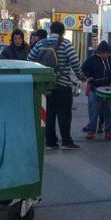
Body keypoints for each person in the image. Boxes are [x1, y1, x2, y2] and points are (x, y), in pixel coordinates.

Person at [28, 21, 86, 150]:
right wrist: (81, 76)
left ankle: (50, 142)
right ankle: (66, 142)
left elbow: (30, 60)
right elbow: (75, 62)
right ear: (63, 32)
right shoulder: (65, 44)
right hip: (62, 85)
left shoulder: (40, 43)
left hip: (45, 85)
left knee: (48, 114)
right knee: (64, 114)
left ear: (50, 31)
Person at [81, 41, 111, 140]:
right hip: (95, 89)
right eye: (103, 53)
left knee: (109, 112)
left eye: (107, 53)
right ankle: (91, 131)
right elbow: (83, 69)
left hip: (109, 89)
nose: (105, 55)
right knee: (94, 112)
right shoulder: (92, 59)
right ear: (99, 52)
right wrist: (89, 77)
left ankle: (109, 131)